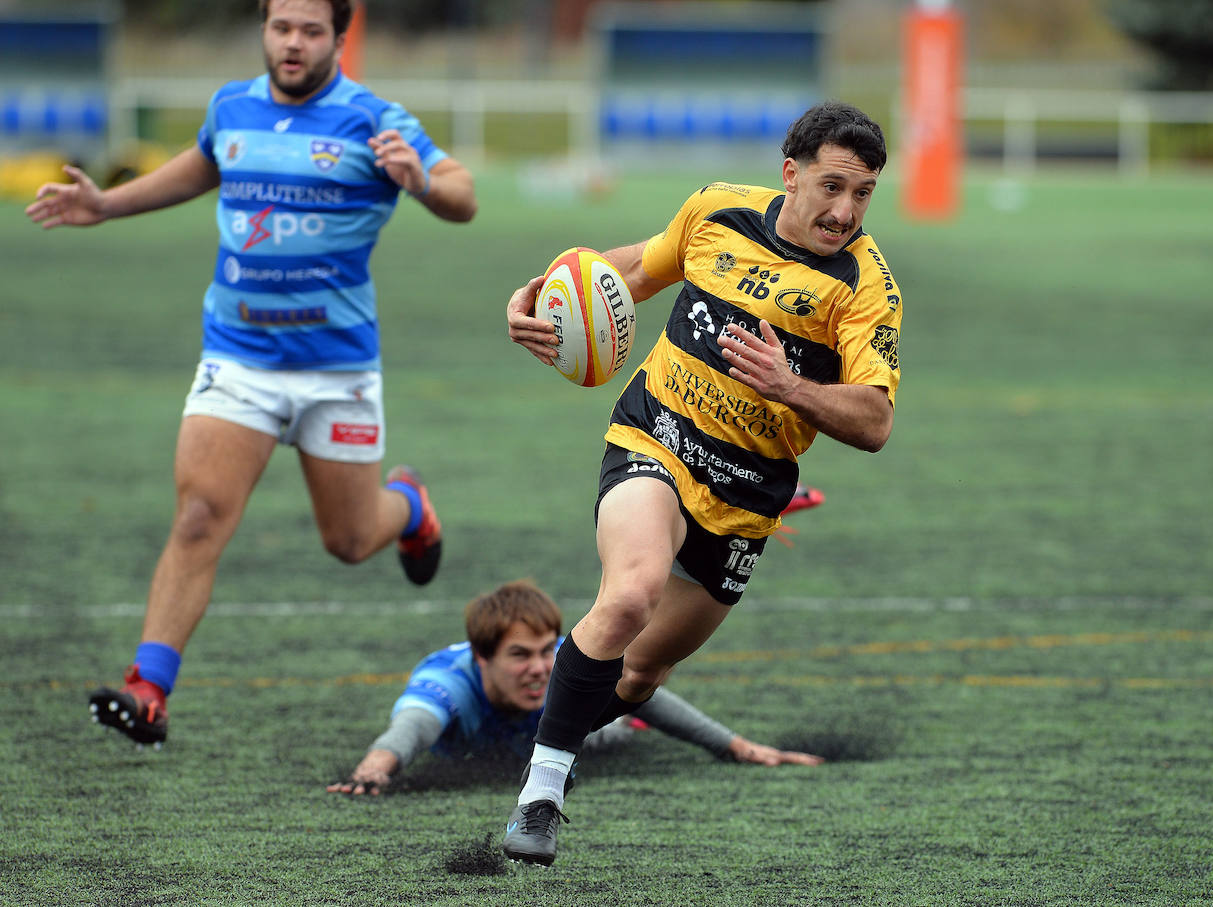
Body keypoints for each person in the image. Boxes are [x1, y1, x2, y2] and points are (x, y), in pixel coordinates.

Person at [25, 0, 477, 749]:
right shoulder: (231, 107)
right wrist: (105, 205)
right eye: (280, 27)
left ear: (339, 34)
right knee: (200, 516)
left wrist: (420, 181)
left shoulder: (373, 119)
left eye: (310, 30)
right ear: (264, 29)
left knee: (351, 538)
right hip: (238, 358)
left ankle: (408, 506)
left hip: (337, 370)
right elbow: (198, 168)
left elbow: (461, 193)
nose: (292, 44)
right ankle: (150, 688)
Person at [500, 100, 900, 864]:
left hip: (746, 495)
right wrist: (541, 295)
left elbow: (875, 420)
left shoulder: (862, 287)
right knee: (629, 593)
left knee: (644, 668)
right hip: (657, 435)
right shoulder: (716, 211)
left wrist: (793, 388)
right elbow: (636, 269)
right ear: (791, 173)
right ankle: (543, 791)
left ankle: (549, 732)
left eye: (864, 194)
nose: (845, 210)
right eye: (832, 186)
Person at [326, 579, 821, 797]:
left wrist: (736, 747)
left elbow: (647, 689)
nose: (540, 668)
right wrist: (374, 770)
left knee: (616, 722)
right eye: (519, 656)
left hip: (587, 736)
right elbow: (411, 728)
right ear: (482, 659)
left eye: (546, 650)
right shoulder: (447, 683)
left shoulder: (564, 662)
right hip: (498, 740)